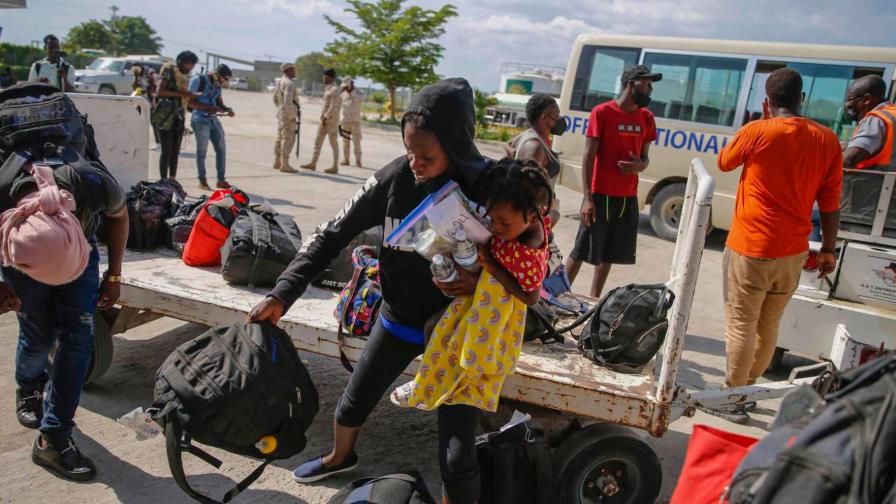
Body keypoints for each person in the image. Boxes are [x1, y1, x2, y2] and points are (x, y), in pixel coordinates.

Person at [249, 78, 488, 504]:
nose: (415, 163)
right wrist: (282, 293)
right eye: (409, 151)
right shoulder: (393, 178)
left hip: (457, 333)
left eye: (427, 157)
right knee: (351, 405)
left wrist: (481, 281)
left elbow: (531, 261)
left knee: (456, 456)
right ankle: (340, 457)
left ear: (457, 147)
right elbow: (331, 234)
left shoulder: (490, 185)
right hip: (398, 319)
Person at [710, 68, 842, 423]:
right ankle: (748, 389)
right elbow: (831, 201)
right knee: (769, 325)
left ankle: (732, 397)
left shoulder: (757, 131)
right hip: (793, 251)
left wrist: (760, 122)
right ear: (802, 99)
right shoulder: (827, 139)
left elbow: (723, 163)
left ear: (766, 102)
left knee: (741, 323)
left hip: (751, 246)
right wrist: (828, 249)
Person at [390, 159, 553, 413]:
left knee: (462, 348)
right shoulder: (519, 219)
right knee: (436, 329)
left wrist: (492, 266)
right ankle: (429, 382)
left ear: (533, 217)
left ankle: (431, 387)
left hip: (497, 309)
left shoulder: (529, 248)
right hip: (484, 292)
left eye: (503, 223)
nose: (495, 227)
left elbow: (531, 297)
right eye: (491, 218)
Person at [3, 156, 128, 481]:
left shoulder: (93, 183)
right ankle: (29, 386)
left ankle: (53, 437)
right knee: (39, 337)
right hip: (18, 257)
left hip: (79, 252)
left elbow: (119, 217)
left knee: (78, 340)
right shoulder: (4, 189)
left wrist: (114, 275)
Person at [564, 65, 661, 298]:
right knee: (581, 250)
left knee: (608, 253)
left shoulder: (647, 117)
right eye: (646, 85)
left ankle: (594, 300)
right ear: (631, 84)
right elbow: (588, 156)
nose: (650, 90)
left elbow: (645, 158)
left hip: (627, 197)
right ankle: (553, 297)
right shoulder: (602, 112)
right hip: (599, 195)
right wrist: (587, 198)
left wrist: (639, 166)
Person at [189, 63, 235, 190]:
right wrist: (208, 108)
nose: (223, 82)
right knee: (202, 151)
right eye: (223, 79)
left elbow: (220, 103)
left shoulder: (217, 84)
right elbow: (189, 101)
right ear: (217, 75)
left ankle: (221, 180)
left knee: (221, 148)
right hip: (200, 120)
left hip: (213, 120)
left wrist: (227, 109)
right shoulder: (199, 80)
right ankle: (202, 180)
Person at [155, 51, 198, 180]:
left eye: (192, 65)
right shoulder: (169, 70)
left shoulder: (187, 75)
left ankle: (172, 179)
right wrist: (183, 94)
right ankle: (163, 181)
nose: (189, 67)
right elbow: (160, 91)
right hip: (165, 116)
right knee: (166, 151)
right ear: (180, 62)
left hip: (179, 115)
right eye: (188, 64)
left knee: (175, 151)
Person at [843, 75, 896, 171]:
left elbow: (849, 159)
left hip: (870, 179)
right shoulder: (892, 114)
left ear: (867, 99)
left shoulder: (876, 119)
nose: (847, 105)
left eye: (850, 99)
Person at [301, 68, 342, 173]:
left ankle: (335, 167)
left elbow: (334, 106)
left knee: (333, 144)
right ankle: (313, 163)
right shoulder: (328, 89)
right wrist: (323, 118)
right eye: (323, 77)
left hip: (331, 121)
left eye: (326, 77)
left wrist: (326, 117)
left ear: (331, 78)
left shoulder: (335, 89)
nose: (324, 79)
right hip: (324, 120)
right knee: (317, 142)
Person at [273, 62, 300, 173]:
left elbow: (275, 98)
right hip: (288, 115)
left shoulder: (280, 82)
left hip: (281, 114)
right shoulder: (289, 83)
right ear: (288, 70)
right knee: (288, 138)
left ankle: (277, 161)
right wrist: (292, 115)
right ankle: (285, 164)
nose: (295, 71)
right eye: (293, 69)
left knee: (280, 137)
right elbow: (288, 101)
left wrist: (280, 109)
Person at [339, 77, 364, 167]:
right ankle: (346, 159)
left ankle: (358, 160)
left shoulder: (359, 92)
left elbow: (360, 100)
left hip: (355, 121)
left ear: (352, 84)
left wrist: (352, 92)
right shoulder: (343, 93)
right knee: (345, 142)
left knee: (356, 142)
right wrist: (342, 90)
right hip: (345, 121)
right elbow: (337, 100)